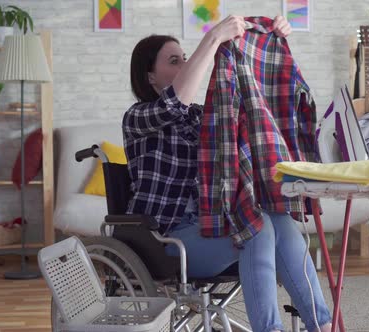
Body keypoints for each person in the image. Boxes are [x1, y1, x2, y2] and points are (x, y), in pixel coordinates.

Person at [124, 15, 332, 332]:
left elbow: (254, 111)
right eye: (174, 60)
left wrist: (268, 42)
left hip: (210, 226)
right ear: (150, 76)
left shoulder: (201, 117)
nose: (185, 63)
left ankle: (323, 325)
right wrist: (214, 37)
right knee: (255, 228)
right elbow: (172, 106)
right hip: (166, 239)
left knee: (278, 219)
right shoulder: (137, 118)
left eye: (185, 57)